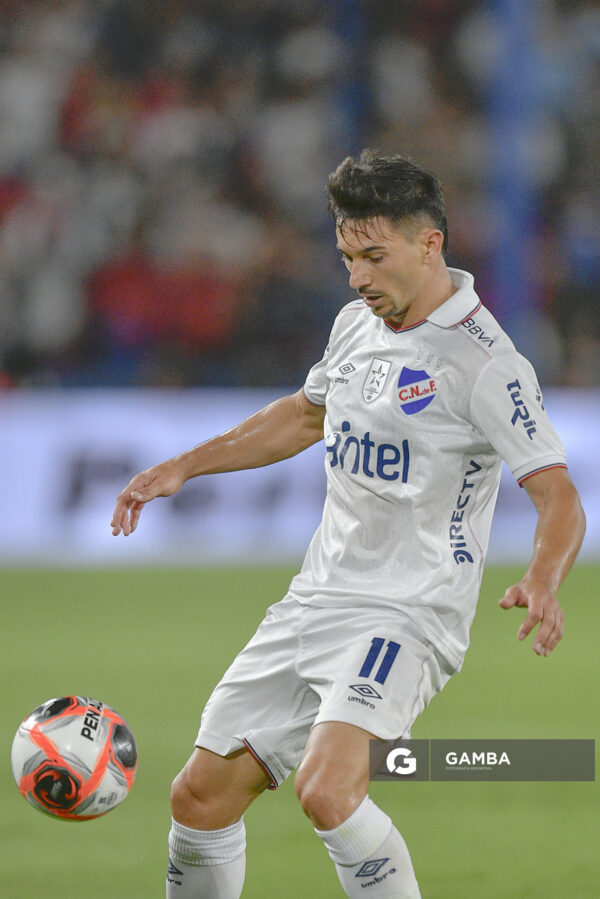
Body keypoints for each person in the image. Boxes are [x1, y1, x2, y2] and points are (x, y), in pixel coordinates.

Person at [111, 150, 586, 899]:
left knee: (328, 788)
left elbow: (558, 494)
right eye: (346, 258)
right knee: (198, 797)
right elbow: (305, 416)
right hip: (315, 600)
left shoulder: (486, 362)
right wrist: (186, 465)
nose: (358, 276)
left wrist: (543, 577)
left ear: (429, 244)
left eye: (374, 256)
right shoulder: (355, 326)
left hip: (408, 613)